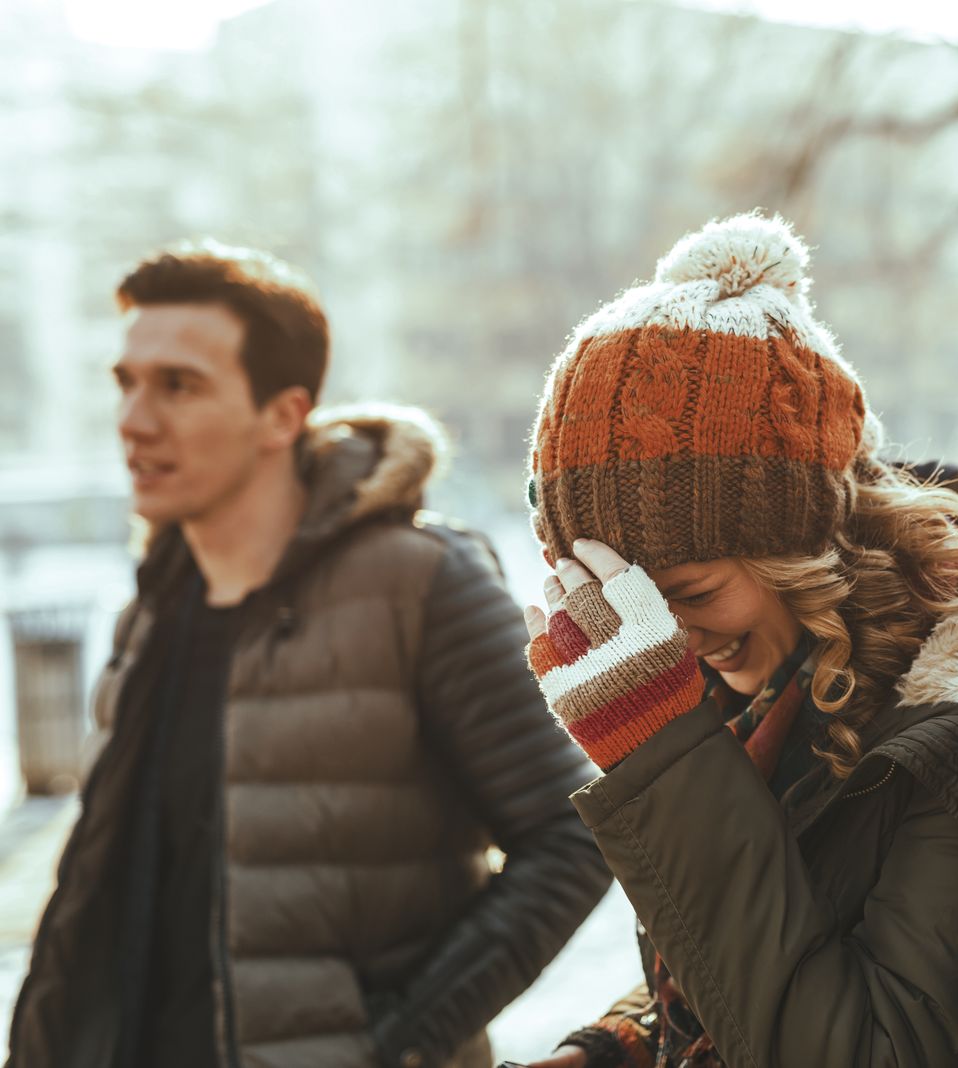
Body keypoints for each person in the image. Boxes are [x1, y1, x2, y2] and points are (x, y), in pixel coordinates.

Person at [7, 243, 613, 1068]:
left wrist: (401, 1042)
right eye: (127, 382)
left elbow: (575, 835)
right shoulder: (155, 604)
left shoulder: (419, 583)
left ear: (283, 414)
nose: (134, 419)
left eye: (178, 385)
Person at [507, 214, 958, 1068]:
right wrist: (620, 1044)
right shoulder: (759, 694)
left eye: (691, 593)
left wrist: (662, 755)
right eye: (631, 608)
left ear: (808, 548)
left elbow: (870, 1045)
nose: (668, 645)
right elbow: (759, 947)